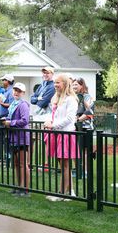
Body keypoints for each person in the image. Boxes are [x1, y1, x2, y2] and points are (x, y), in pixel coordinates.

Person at [44, 73, 78, 201]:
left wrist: (53, 125)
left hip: (66, 134)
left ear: (64, 83)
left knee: (65, 165)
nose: (55, 85)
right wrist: (48, 122)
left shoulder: (71, 100)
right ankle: (68, 192)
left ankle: (62, 194)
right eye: (55, 83)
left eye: (58, 82)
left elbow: (69, 119)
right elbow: (52, 114)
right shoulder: (56, 98)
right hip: (57, 133)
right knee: (62, 165)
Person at [3, 82, 31, 197]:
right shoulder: (13, 104)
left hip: (22, 137)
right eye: (15, 90)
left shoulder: (23, 104)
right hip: (13, 137)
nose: (16, 92)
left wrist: (11, 123)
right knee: (16, 163)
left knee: (23, 164)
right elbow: (10, 117)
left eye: (19, 91)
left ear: (23, 93)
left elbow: (25, 121)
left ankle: (25, 189)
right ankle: (18, 186)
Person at [72, 77, 94, 178]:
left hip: (86, 128)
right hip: (75, 127)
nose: (74, 86)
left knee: (85, 150)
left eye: (76, 84)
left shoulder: (87, 96)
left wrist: (78, 120)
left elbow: (89, 112)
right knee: (75, 149)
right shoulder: (73, 97)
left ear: (82, 85)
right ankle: (77, 170)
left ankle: (85, 171)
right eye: (73, 84)